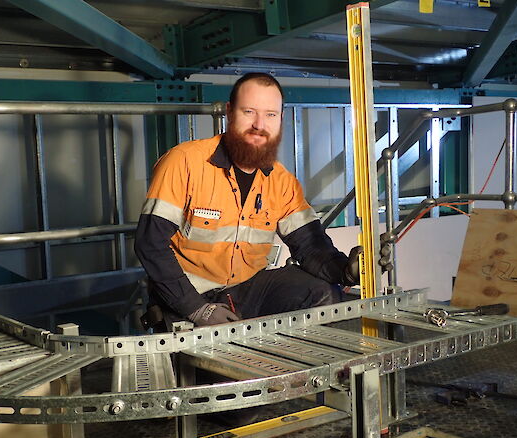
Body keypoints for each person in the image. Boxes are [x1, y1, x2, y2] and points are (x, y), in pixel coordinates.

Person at [135, 72, 361, 329]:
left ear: (281, 120)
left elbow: (310, 247)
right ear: (230, 113)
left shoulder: (281, 181)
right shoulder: (184, 162)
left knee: (323, 293)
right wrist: (196, 309)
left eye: (270, 115)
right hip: (186, 296)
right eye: (249, 112)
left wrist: (347, 270)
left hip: (246, 290)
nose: (259, 124)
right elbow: (150, 244)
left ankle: (297, 368)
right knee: (216, 365)